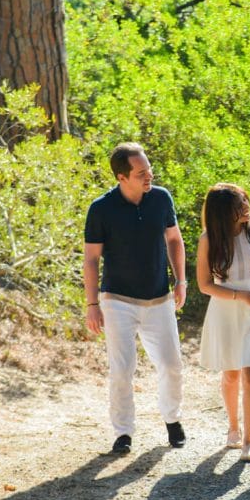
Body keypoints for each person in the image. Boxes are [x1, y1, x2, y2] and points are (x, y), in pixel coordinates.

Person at [83, 142, 188, 454]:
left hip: (159, 297)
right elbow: (91, 259)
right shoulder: (101, 208)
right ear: (121, 177)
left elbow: (174, 239)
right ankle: (123, 433)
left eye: (149, 170)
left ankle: (172, 420)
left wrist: (180, 280)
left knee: (171, 365)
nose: (148, 176)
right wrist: (92, 304)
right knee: (123, 368)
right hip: (117, 299)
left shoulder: (161, 198)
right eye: (141, 173)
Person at [196, 183, 250, 462]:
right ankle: (233, 426)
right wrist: (238, 295)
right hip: (227, 308)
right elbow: (205, 285)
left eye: (245, 200)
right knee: (231, 374)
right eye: (239, 205)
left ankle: (249, 441)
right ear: (223, 212)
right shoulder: (209, 238)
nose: (246, 207)